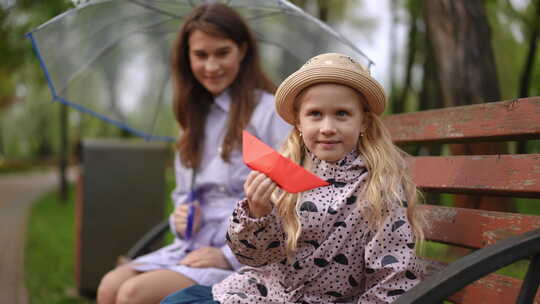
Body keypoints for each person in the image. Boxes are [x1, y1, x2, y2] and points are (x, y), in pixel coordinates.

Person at [161, 53, 426, 304]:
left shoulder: (381, 186)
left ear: (364, 122)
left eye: (342, 114)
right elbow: (252, 258)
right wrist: (257, 212)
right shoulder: (288, 173)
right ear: (299, 123)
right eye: (315, 114)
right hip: (260, 294)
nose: (327, 128)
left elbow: (393, 276)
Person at [96, 3, 290, 304]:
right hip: (191, 246)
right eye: (201, 55)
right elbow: (183, 195)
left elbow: (288, 201)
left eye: (222, 52)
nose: (211, 66)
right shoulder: (193, 120)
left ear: (242, 50)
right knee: (110, 286)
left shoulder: (269, 113)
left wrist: (227, 256)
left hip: (243, 253)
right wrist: (181, 217)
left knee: (132, 294)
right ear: (187, 57)